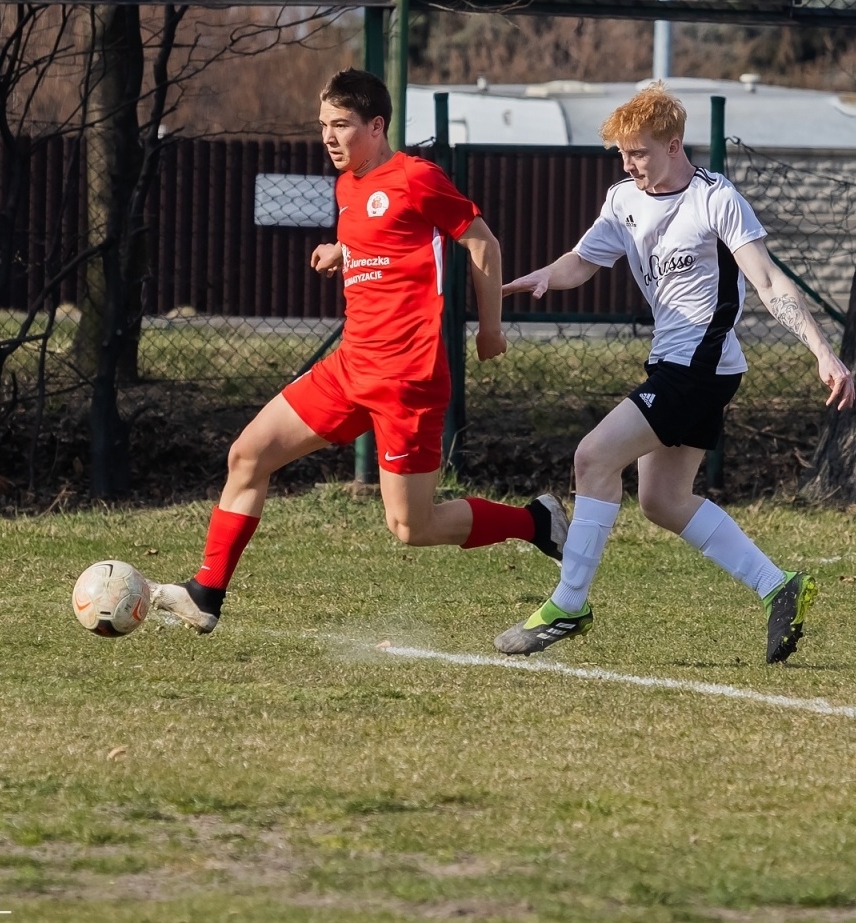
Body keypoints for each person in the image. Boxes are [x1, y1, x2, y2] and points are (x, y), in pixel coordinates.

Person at [151, 69, 567, 633]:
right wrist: (340, 251)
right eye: (322, 124)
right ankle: (206, 594)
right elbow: (385, 243)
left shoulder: (417, 177)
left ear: (376, 125)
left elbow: (480, 241)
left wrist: (489, 327)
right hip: (350, 368)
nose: (328, 136)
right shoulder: (347, 185)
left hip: (407, 381)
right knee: (247, 456)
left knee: (409, 527)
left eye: (341, 125)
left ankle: (536, 523)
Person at [491, 83, 856, 664]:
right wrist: (544, 275)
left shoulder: (716, 198)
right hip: (681, 364)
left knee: (592, 457)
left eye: (638, 153)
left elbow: (768, 282)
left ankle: (569, 603)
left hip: (699, 369)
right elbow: (583, 261)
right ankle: (778, 587)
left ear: (674, 144)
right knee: (662, 499)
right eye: (621, 154)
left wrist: (821, 350)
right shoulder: (623, 199)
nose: (629, 164)